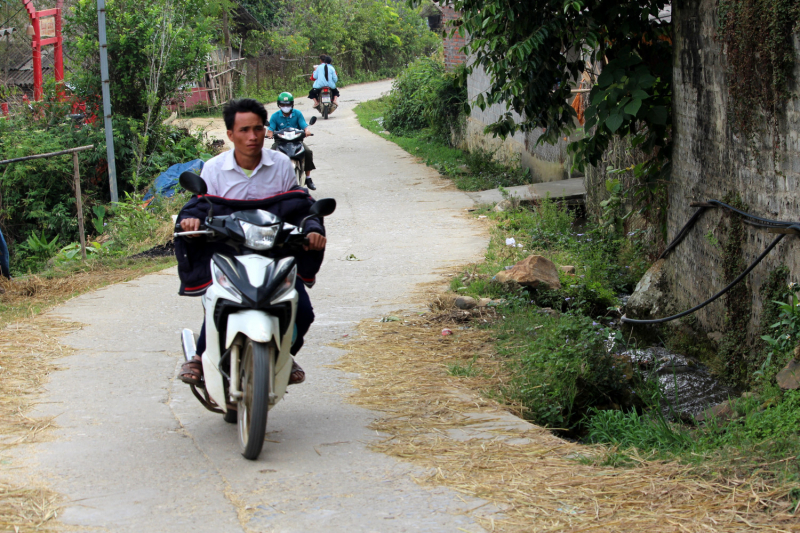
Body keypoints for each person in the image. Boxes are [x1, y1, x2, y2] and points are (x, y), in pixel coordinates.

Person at [176, 98, 327, 388]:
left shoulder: (281, 164)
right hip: (229, 254)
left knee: (303, 313)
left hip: (275, 254)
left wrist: (312, 227)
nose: (252, 137)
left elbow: (300, 204)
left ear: (265, 130)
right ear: (230, 134)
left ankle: (285, 354)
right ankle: (199, 356)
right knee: (220, 303)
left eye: (258, 129)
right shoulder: (214, 168)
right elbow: (200, 204)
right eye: (244, 130)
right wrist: (191, 221)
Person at [267, 92, 317, 191]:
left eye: (288, 104)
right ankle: (271, 180)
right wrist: (269, 134)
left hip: (297, 142)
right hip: (280, 143)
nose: (285, 107)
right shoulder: (275, 116)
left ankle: (308, 178)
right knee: (270, 156)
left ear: (292, 104)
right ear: (279, 105)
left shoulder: (297, 114)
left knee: (307, 152)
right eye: (283, 104)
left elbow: (304, 125)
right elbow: (270, 129)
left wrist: (307, 131)